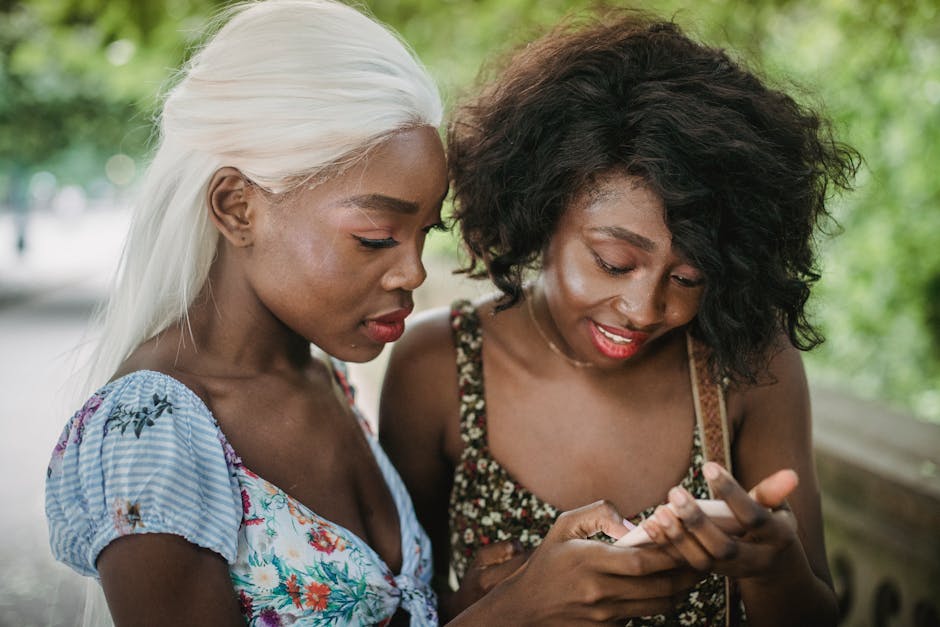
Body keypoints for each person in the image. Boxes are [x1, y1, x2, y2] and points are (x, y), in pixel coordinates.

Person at [45, 2, 701, 625]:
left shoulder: (317, 376)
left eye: (423, 236)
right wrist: (514, 612)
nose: (412, 271)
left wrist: (477, 600)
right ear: (238, 207)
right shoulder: (148, 431)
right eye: (375, 237)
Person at [380, 9, 860, 626]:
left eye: (689, 278)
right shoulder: (439, 368)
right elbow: (397, 609)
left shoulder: (745, 365)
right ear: (541, 208)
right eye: (612, 262)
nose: (644, 309)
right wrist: (503, 605)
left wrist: (773, 568)